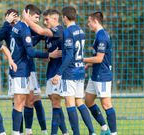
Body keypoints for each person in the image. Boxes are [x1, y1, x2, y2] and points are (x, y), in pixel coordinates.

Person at [9, 4, 61, 135]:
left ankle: (25, 131)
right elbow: (31, 52)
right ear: (27, 14)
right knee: (19, 104)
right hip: (20, 70)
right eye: (36, 17)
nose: (37, 21)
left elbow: (30, 42)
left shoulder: (16, 27)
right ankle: (17, 132)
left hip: (19, 69)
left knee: (24, 102)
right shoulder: (24, 29)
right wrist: (49, 54)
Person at [23, 9, 68, 135]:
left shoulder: (59, 30)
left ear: (55, 19)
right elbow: (45, 54)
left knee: (56, 102)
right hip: (50, 71)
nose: (44, 21)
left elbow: (41, 30)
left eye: (47, 19)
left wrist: (26, 19)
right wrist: (48, 56)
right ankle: (65, 132)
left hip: (58, 73)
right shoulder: (49, 36)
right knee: (55, 102)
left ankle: (55, 133)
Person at [52, 6, 96, 135]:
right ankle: (92, 131)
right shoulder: (81, 31)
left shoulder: (68, 32)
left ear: (65, 17)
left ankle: (76, 133)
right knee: (79, 102)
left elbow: (70, 55)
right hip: (80, 71)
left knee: (70, 104)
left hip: (70, 73)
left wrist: (59, 73)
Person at [84, 11, 117, 135]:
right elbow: (99, 59)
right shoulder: (98, 35)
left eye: (89, 22)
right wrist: (89, 63)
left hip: (103, 75)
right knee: (88, 100)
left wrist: (81, 59)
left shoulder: (102, 36)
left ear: (95, 21)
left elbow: (99, 58)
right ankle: (104, 128)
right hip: (96, 74)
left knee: (106, 104)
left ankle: (113, 133)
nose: (88, 24)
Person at [0, 9, 25, 135]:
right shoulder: (7, 29)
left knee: (31, 101)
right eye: (10, 17)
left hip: (26, 68)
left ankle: (26, 131)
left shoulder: (22, 27)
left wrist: (20, 22)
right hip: (15, 69)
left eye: (15, 16)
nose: (13, 19)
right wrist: (6, 23)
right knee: (17, 102)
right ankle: (19, 132)